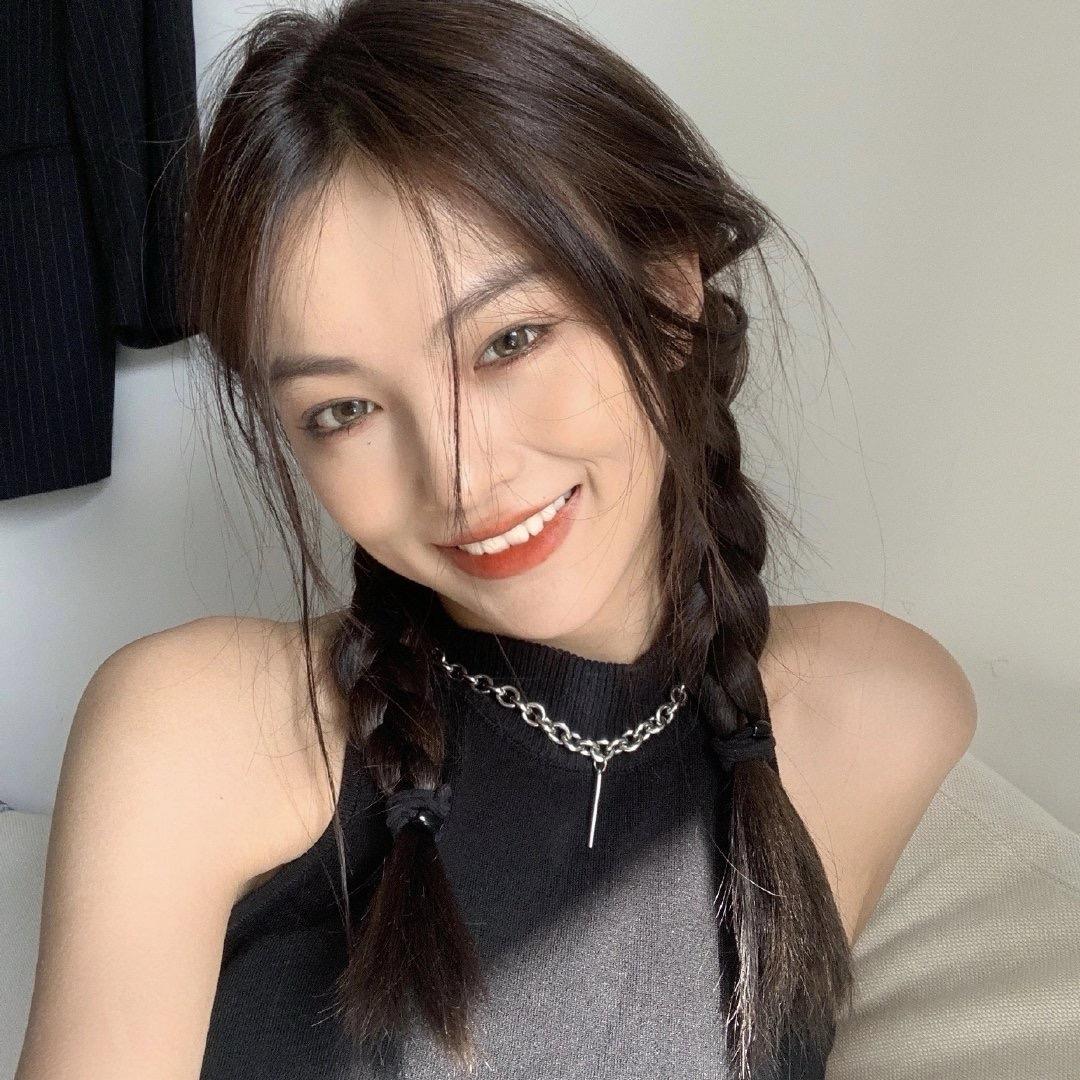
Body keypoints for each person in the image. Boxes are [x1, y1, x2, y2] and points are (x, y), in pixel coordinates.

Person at [15, 2, 977, 1079]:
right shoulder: (195, 729)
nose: (459, 479)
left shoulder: (878, 712)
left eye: (509, 341)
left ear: (668, 291)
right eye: (344, 410)